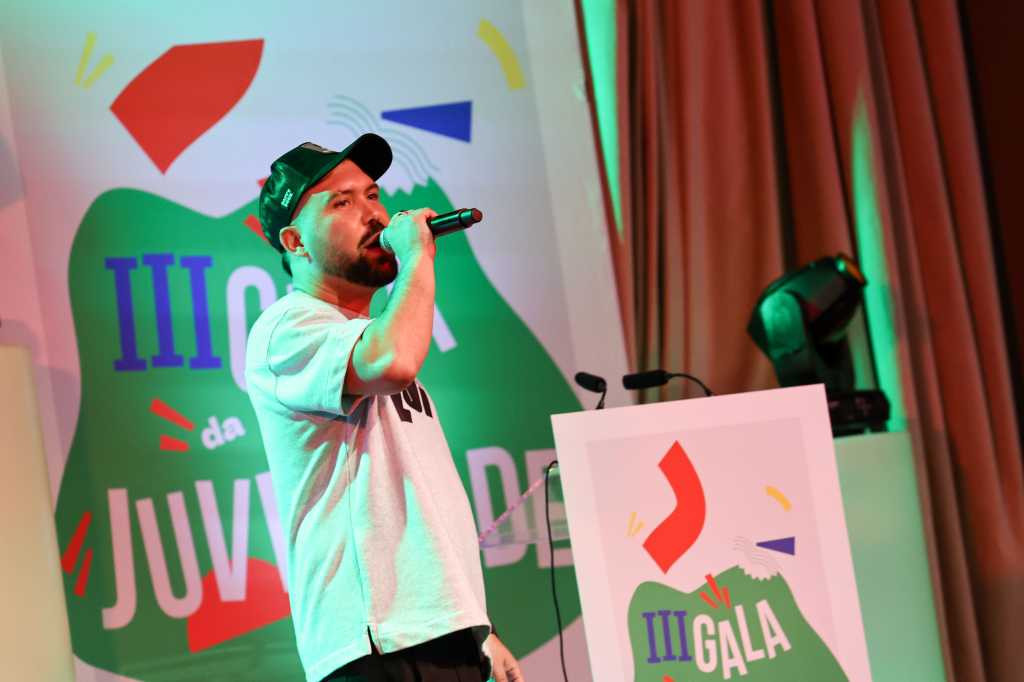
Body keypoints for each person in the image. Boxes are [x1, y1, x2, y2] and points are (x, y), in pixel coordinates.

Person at [245, 134, 523, 682]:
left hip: (435, 633)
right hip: (376, 644)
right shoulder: (288, 328)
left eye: (373, 195)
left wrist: (474, 626)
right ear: (296, 242)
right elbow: (393, 361)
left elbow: (415, 503)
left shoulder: (368, 334)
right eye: (342, 202)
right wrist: (418, 255)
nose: (374, 214)